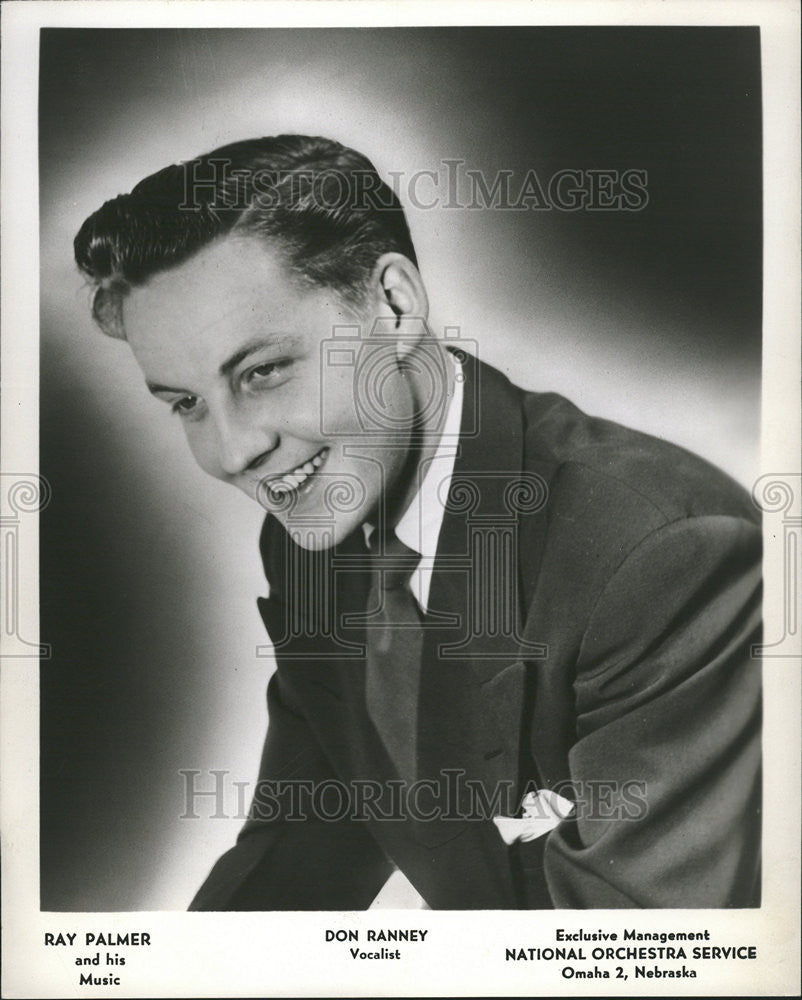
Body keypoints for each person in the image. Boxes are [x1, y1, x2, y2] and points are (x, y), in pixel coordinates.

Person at [73, 135, 762, 909]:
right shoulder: (312, 537)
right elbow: (301, 845)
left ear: (395, 304)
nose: (234, 451)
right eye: (185, 403)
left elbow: (633, 956)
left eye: (263, 371)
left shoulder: (662, 550)